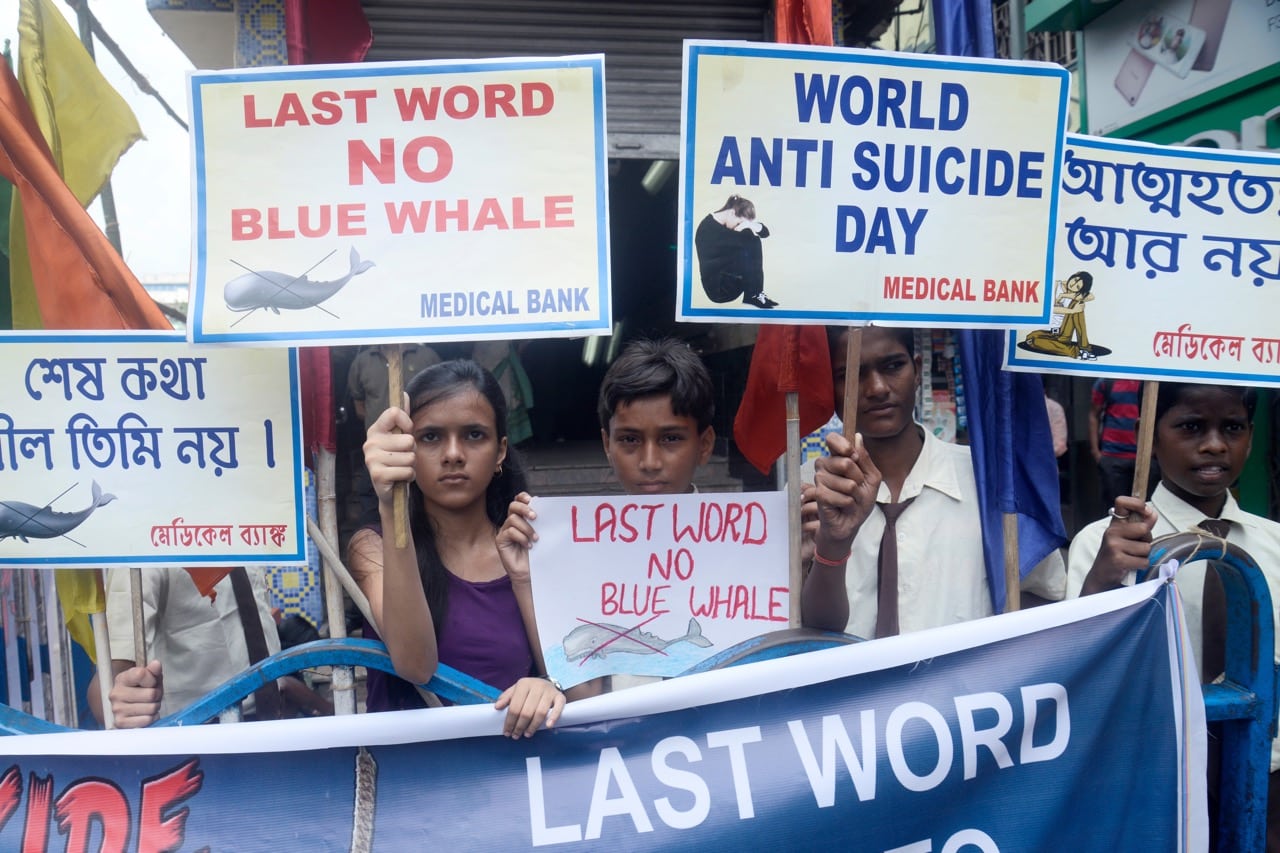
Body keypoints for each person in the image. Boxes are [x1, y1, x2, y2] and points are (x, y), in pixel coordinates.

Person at [1065, 382, 1280, 849]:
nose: (1214, 444)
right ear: (1151, 434)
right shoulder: (1104, 545)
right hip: (1150, 780)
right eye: (1190, 426)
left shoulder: (1274, 545)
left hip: (1264, 779)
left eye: (1233, 428)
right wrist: (1102, 579)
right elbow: (1076, 667)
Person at [347, 360, 565, 738]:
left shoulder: (531, 543)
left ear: (500, 452)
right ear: (405, 448)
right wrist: (389, 504)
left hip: (516, 781)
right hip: (411, 782)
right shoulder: (372, 546)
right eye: (430, 437)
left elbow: (581, 685)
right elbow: (416, 665)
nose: (453, 454)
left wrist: (549, 686)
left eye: (474, 435)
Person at [800, 326, 1064, 637]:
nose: (877, 388)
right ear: (830, 388)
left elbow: (1045, 602)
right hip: (849, 684)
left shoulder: (990, 483)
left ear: (918, 369)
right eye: (850, 374)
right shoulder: (809, 489)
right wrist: (832, 545)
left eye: (893, 366)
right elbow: (805, 628)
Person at [497, 338, 716, 691]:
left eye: (671, 439)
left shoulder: (746, 546)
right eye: (629, 440)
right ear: (607, 446)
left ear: (704, 445)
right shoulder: (583, 555)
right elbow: (583, 695)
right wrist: (524, 581)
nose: (649, 462)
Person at [88, 567, 331, 728]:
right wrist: (123, 705)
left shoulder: (248, 525)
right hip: (199, 743)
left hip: (271, 729)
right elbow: (109, 683)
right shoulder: (145, 551)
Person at [348, 343, 443, 521]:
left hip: (422, 449)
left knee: (421, 506)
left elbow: (443, 401)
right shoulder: (362, 362)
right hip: (378, 450)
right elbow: (359, 405)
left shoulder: (427, 357)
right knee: (373, 506)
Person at [693, 194, 777, 310]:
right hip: (719, 289)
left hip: (729, 277)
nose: (738, 227)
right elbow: (757, 239)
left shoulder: (720, 223)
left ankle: (754, 294)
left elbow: (765, 233)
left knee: (749, 236)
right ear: (732, 213)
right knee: (752, 241)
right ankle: (754, 295)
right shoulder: (709, 230)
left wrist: (749, 225)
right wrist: (749, 228)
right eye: (738, 223)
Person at [1090, 377, 1157, 509]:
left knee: (1150, 509)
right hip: (1113, 456)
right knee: (1113, 510)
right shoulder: (1106, 382)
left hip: (1148, 457)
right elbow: (1093, 415)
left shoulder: (1153, 380)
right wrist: (1096, 452)